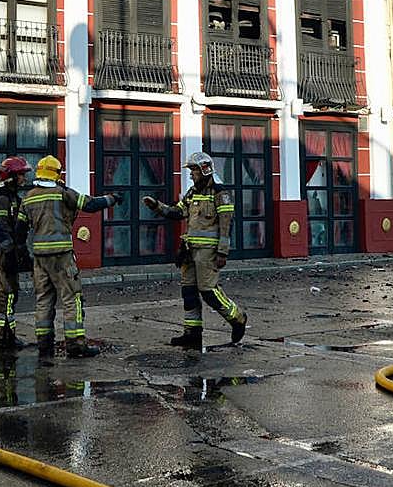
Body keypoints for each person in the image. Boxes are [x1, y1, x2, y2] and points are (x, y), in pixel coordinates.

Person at [144, 151, 248, 351]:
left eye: (193, 170)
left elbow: (226, 224)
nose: (191, 174)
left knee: (208, 292)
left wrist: (222, 252)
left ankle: (237, 318)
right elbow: (178, 212)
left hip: (208, 253)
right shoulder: (193, 192)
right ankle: (192, 334)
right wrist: (157, 207)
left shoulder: (220, 193)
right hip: (190, 251)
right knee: (189, 292)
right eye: (190, 170)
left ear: (205, 169)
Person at [19, 155, 119, 358]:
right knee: (72, 299)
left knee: (43, 300)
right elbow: (89, 205)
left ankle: (44, 344)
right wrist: (112, 198)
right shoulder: (62, 193)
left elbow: (19, 229)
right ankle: (76, 345)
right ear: (56, 174)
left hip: (39, 258)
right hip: (62, 257)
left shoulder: (28, 197)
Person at [0, 156, 32, 350]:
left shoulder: (9, 196)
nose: (24, 178)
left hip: (2, 250)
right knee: (8, 292)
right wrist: (11, 252)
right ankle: (5, 336)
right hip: (1, 251)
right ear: (11, 176)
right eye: (21, 174)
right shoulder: (2, 198)